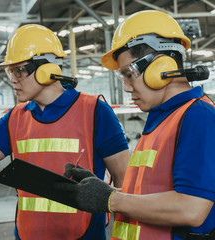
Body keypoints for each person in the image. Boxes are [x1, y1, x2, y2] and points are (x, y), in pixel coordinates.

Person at [0, 24, 130, 240]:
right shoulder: (14, 118)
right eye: (10, 71)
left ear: (46, 70)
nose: (12, 79)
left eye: (18, 70)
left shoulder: (95, 111)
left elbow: (125, 179)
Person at [58, 10, 215, 240]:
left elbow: (191, 208)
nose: (126, 88)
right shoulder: (163, 119)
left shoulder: (197, 116)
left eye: (128, 74)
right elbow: (150, 195)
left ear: (161, 67)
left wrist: (112, 200)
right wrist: (103, 191)